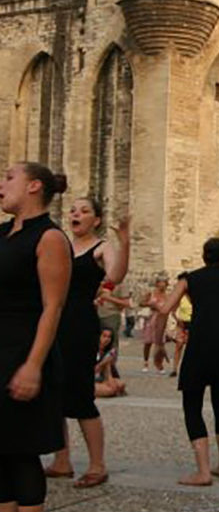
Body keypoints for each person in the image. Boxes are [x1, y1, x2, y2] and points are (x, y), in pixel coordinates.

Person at [0, 162, 72, 512]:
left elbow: (53, 307)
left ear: (33, 186)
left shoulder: (48, 237)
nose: (2, 184)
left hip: (25, 351)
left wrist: (33, 365)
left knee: (23, 451)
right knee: (0, 451)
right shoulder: (4, 234)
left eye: (8, 177)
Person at [44, 197, 129, 488]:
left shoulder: (101, 247)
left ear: (96, 220)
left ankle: (97, 464)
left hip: (80, 323)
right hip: (54, 320)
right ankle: (62, 460)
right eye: (73, 210)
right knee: (54, 391)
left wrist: (125, 241)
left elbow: (115, 276)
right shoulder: (61, 244)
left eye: (84, 211)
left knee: (80, 394)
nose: (76, 214)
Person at [157, 239, 219, 486]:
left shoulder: (189, 279)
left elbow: (164, 309)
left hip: (199, 346)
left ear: (204, 257)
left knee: (192, 405)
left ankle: (203, 471)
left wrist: (161, 344)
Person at [140, 277, 169, 373]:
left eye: (164, 283)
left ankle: (159, 364)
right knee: (148, 342)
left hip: (161, 320)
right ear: (157, 284)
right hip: (151, 319)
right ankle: (146, 362)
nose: (162, 285)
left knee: (160, 344)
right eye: (161, 283)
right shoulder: (151, 293)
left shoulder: (167, 296)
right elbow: (141, 303)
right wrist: (150, 305)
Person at [94, 328, 126, 398]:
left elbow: (108, 372)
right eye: (104, 336)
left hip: (101, 378)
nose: (107, 339)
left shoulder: (109, 352)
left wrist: (110, 381)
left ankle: (105, 388)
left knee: (121, 384)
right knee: (110, 390)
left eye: (109, 337)